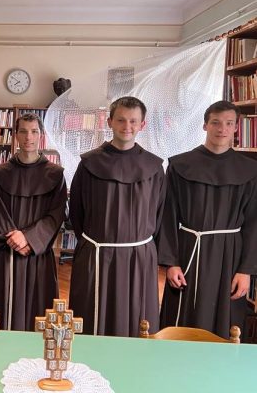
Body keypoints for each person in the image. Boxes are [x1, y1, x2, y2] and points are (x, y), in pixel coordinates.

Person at [159, 100, 257, 339]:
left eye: (229, 123)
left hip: (230, 256)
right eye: (215, 123)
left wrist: (245, 270)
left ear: (236, 127)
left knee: (227, 322)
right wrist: (171, 263)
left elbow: (254, 224)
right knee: (182, 319)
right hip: (189, 251)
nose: (222, 129)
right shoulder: (180, 165)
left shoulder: (250, 170)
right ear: (205, 125)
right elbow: (167, 216)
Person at [68, 96, 165, 337]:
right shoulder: (89, 163)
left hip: (138, 256)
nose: (127, 126)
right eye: (121, 120)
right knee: (92, 317)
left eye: (133, 121)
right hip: (98, 252)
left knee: (136, 319)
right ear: (109, 122)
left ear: (142, 125)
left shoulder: (153, 167)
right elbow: (77, 210)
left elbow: (159, 211)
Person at [0, 113, 66, 331]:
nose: (28, 137)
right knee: (1, 311)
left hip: (37, 254)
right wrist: (14, 238)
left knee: (37, 311)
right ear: (16, 135)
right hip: (7, 252)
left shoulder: (55, 174)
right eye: (23, 131)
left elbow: (56, 214)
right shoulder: (0, 172)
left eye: (34, 132)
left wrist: (29, 238)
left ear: (41, 136)